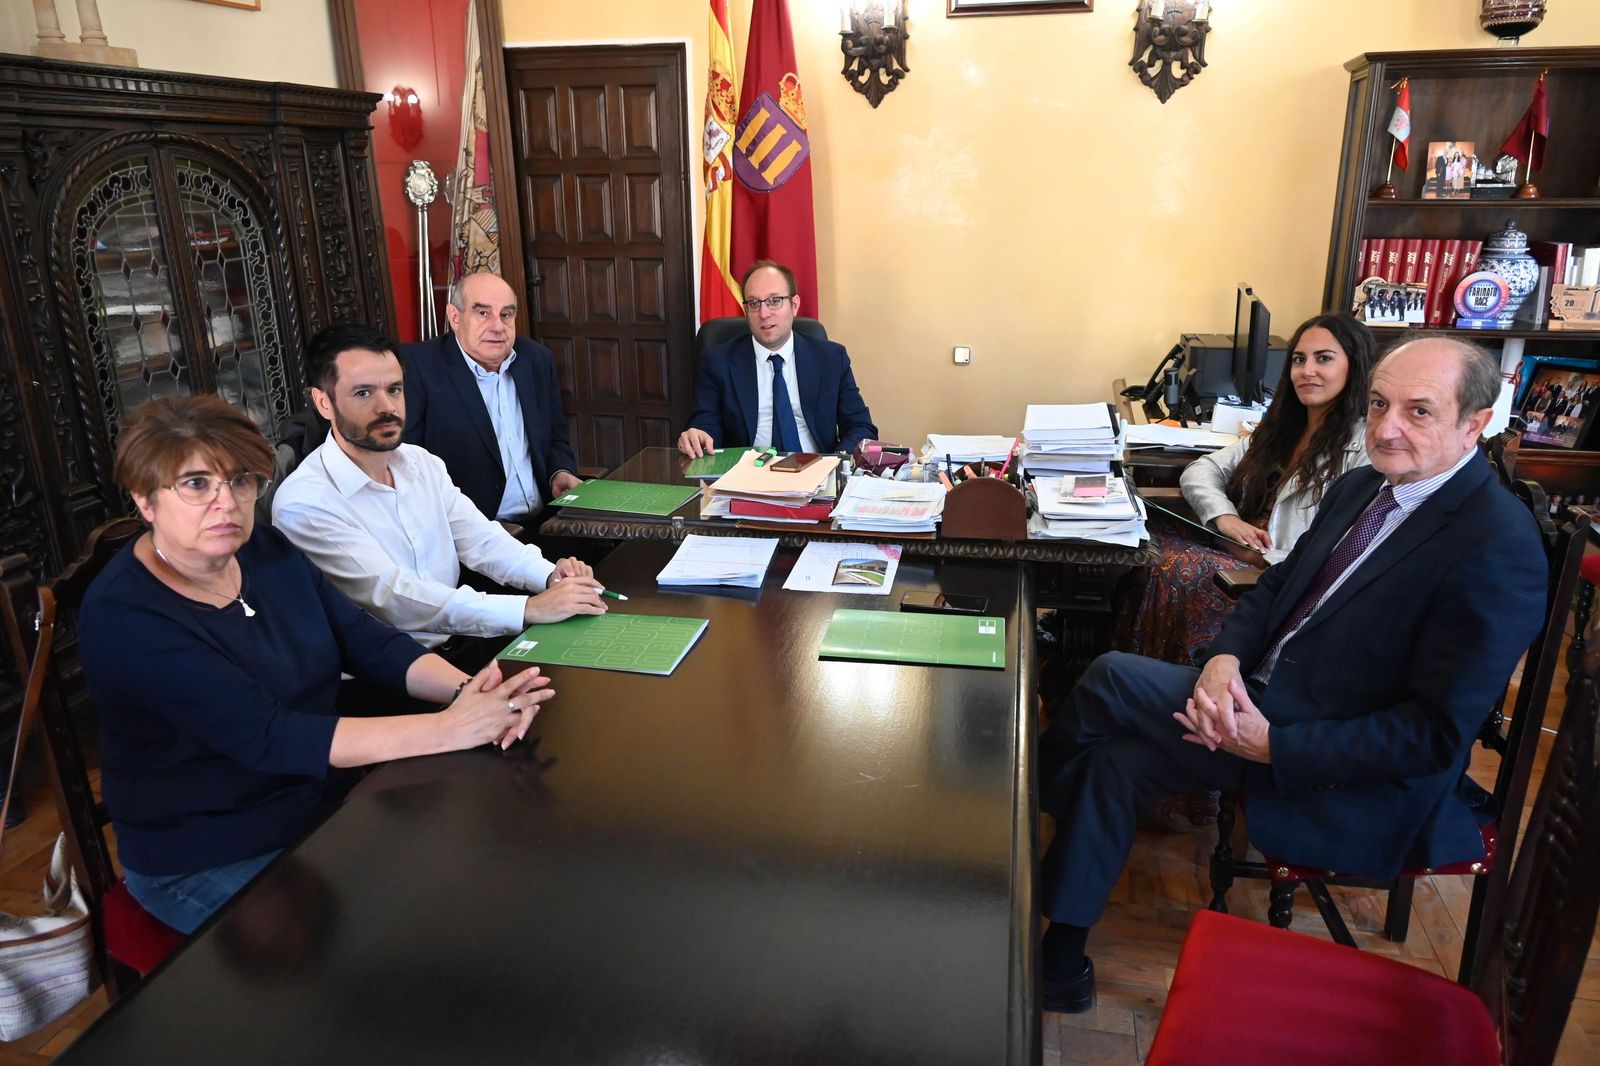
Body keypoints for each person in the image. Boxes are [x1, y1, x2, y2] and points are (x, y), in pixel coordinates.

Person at [1038, 336, 1547, 1015]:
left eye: (1419, 411)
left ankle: (1025, 807)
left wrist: (1272, 744)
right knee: (1116, 764)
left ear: (1474, 423)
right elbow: (1278, 588)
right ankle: (1060, 959)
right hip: (1269, 699)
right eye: (1378, 405)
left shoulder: (1497, 544)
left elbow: (1430, 735)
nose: (1386, 428)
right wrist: (1222, 662)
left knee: (1109, 677)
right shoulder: (1365, 485)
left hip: (1333, 757)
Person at [78, 395, 556, 934]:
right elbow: (272, 736)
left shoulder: (266, 552)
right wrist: (450, 727)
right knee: (388, 941)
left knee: (481, 877)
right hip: (210, 844)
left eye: (241, 481)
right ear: (146, 500)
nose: (226, 503)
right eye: (195, 484)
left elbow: (365, 641)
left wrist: (472, 692)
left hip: (319, 801)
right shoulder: (127, 616)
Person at [273, 324, 607, 660]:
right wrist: (528, 609)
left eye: (394, 389)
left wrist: (549, 575)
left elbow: (481, 540)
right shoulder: (305, 502)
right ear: (323, 402)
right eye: (363, 393)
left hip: (459, 641)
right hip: (385, 672)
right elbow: (395, 598)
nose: (385, 407)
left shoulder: (420, 463)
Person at [1114, 313, 1376, 670]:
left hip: (1265, 578)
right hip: (1232, 548)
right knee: (1136, 543)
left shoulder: (1362, 449)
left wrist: (1261, 557)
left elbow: (1340, 550)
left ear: (1354, 367)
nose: (1307, 370)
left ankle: (1162, 678)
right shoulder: (1282, 427)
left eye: (1324, 358)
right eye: (1299, 359)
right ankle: (1123, 673)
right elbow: (1201, 470)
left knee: (1164, 563)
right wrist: (1225, 517)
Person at [399, 273, 581, 523]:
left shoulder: (536, 360)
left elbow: (555, 439)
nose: (497, 327)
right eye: (483, 313)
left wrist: (559, 473)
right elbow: (406, 465)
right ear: (455, 317)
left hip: (546, 523)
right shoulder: (416, 368)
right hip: (472, 535)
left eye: (506, 315)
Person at [677, 260, 877, 458]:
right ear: (746, 311)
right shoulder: (718, 362)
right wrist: (699, 434)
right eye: (754, 303)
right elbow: (706, 423)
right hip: (747, 477)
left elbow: (860, 426)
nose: (764, 313)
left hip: (818, 473)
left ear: (794, 305)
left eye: (774, 301)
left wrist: (837, 462)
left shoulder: (831, 358)